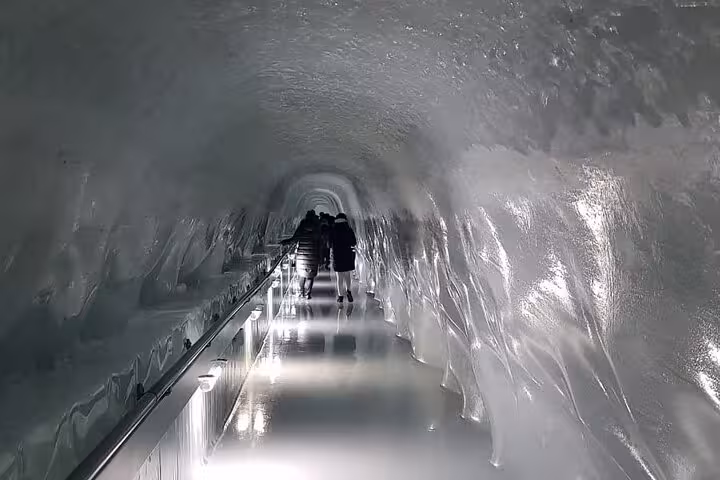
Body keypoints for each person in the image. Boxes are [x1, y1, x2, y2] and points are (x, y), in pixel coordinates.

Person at [282, 210, 321, 299]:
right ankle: (308, 294)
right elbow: (319, 242)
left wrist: (285, 242)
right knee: (310, 276)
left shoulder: (302, 226)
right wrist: (320, 256)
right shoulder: (317, 227)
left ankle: (301, 293)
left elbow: (294, 239)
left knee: (302, 275)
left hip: (302, 255)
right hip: (313, 254)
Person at [330, 213, 357, 304]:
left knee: (339, 277)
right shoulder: (349, 230)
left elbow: (329, 243)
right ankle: (348, 291)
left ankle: (340, 296)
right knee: (347, 275)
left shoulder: (333, 230)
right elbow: (354, 242)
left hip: (337, 255)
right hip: (347, 254)